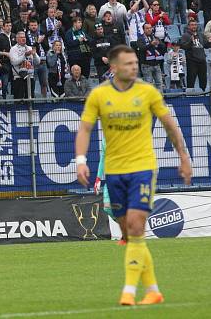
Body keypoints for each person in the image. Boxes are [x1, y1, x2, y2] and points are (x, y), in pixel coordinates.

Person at [75, 44, 192, 306]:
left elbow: (170, 126)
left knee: (137, 226)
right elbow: (84, 129)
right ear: (114, 67)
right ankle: (153, 290)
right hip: (115, 172)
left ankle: (128, 291)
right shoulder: (99, 95)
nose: (134, 67)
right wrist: (81, 160)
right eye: (128, 63)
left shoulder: (147, 92)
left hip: (142, 167)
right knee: (129, 232)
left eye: (135, 63)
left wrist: (184, 157)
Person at [179, 19, 207, 90]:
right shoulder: (185, 35)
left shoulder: (200, 34)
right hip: (192, 61)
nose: (194, 26)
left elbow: (205, 45)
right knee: (191, 80)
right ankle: (190, 96)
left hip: (202, 60)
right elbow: (183, 46)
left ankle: (204, 95)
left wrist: (210, 41)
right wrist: (190, 41)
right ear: (188, 26)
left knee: (203, 80)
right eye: (192, 25)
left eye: (195, 25)